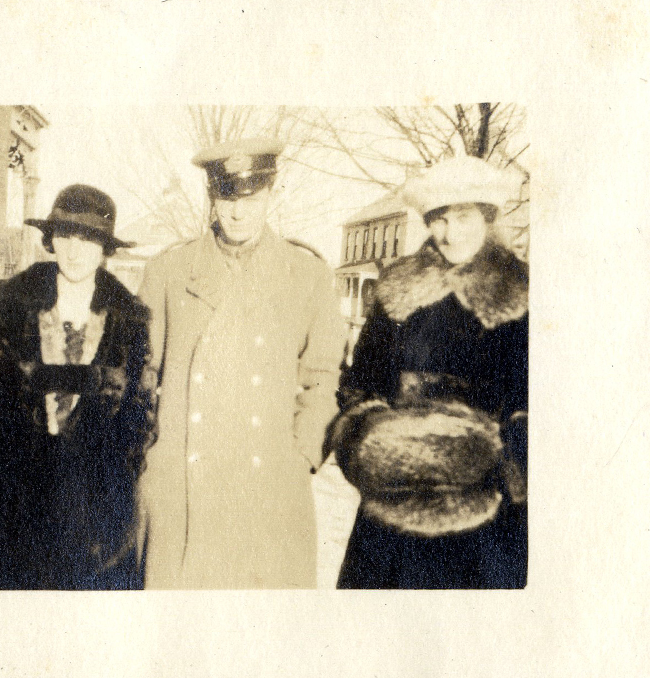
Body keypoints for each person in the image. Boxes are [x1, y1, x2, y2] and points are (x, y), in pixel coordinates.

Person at [0, 184, 157, 590]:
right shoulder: (17, 304)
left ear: (104, 249)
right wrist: (20, 454)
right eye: (66, 236)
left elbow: (141, 409)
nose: (75, 251)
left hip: (95, 503)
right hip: (13, 490)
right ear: (51, 240)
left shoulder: (128, 320)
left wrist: (111, 466)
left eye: (88, 239)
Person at [136, 138, 347, 589]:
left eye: (251, 198)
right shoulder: (169, 271)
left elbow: (323, 376)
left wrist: (302, 455)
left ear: (272, 194)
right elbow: (139, 372)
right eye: (227, 198)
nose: (238, 212)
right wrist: (151, 451)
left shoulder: (306, 274)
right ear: (211, 199)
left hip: (270, 480)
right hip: (181, 483)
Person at [325, 155, 528, 589]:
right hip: (394, 502)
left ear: (487, 218)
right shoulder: (398, 288)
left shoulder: (524, 294)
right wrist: (371, 444)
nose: (450, 233)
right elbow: (361, 382)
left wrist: (509, 463)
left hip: (488, 510)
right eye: (439, 219)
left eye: (464, 217)